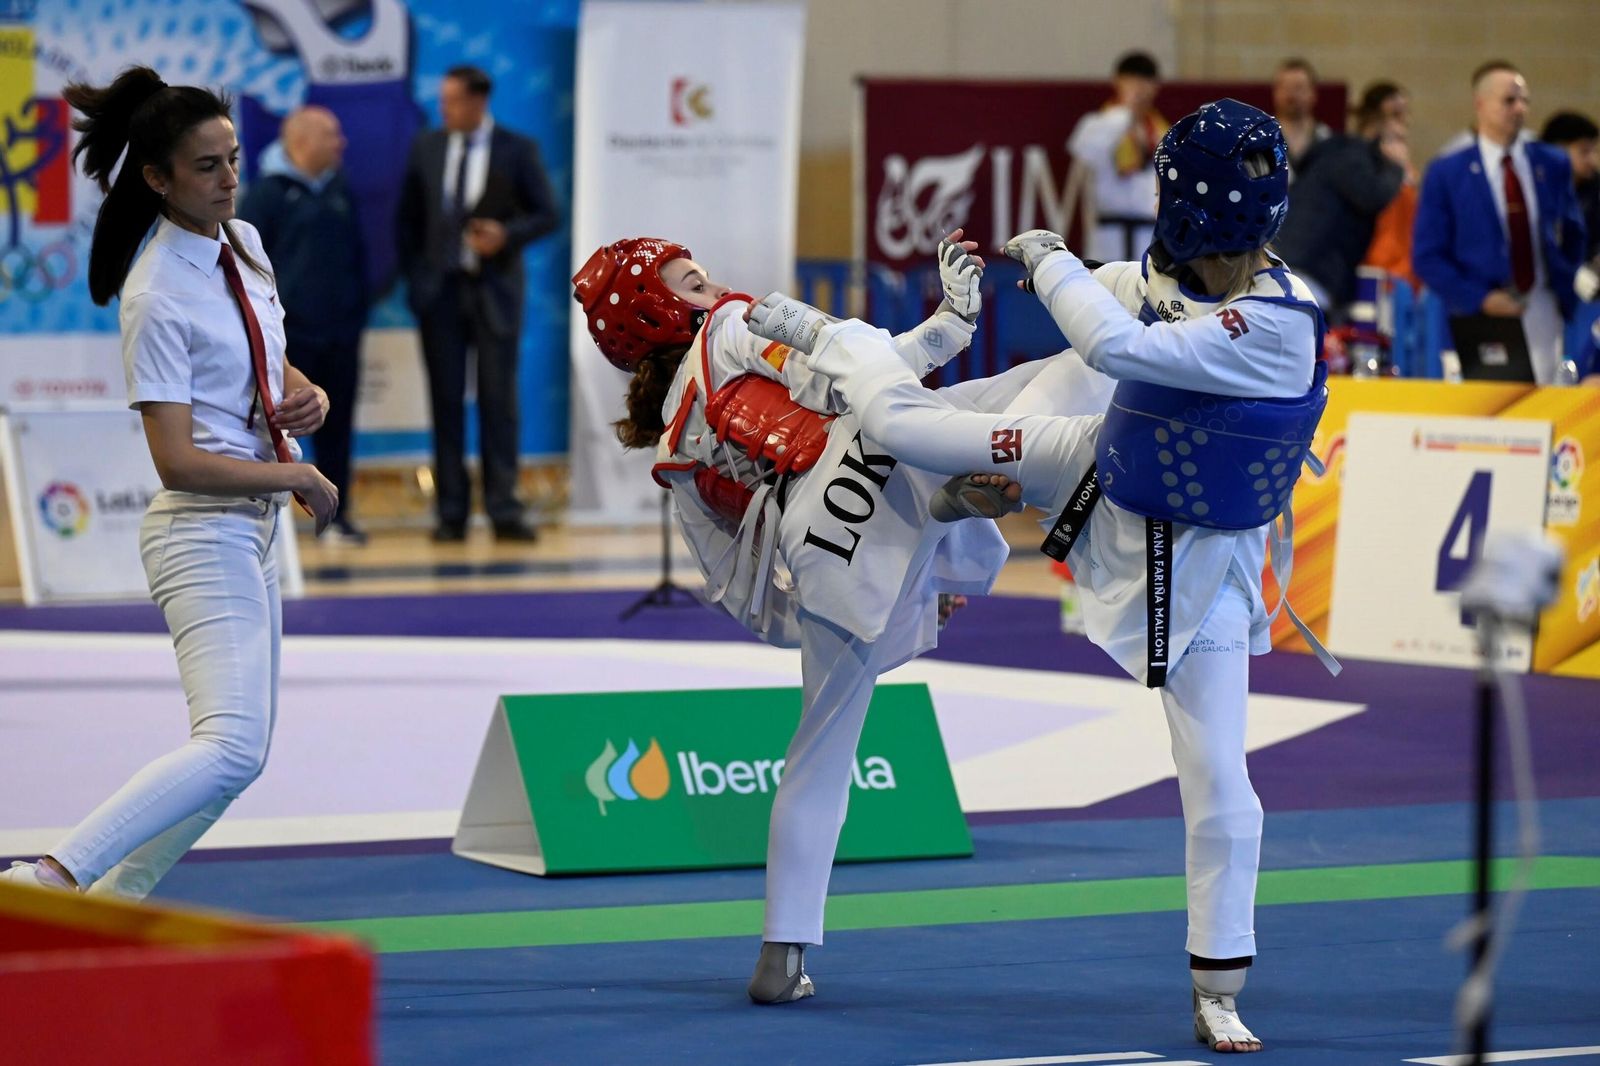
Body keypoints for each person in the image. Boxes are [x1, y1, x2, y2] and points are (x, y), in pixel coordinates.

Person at [748, 99, 1339, 1053]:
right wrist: (1063, 278)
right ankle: (924, 476)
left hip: (1202, 559)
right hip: (1094, 458)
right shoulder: (1162, 274)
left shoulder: (1279, 318)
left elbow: (1120, 344)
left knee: (1222, 780)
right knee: (912, 428)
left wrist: (1051, 258)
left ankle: (1218, 984)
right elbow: (1114, 312)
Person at [573, 232, 1058, 1007]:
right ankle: (963, 499)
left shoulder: (675, 446)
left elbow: (744, 593)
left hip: (825, 546)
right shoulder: (735, 324)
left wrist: (852, 600)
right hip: (876, 459)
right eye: (684, 277)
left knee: (819, 754)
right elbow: (856, 371)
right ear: (662, 309)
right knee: (1048, 382)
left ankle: (781, 957)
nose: (704, 276)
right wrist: (948, 327)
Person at [0, 67, 338, 900]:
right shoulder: (154, 293)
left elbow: (266, 355)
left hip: (252, 526)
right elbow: (176, 460)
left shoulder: (246, 243)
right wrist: (292, 469)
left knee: (241, 756)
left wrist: (308, 393)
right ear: (157, 178)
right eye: (206, 167)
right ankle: (49, 877)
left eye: (232, 158)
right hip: (199, 528)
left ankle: (115, 902)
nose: (229, 179)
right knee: (226, 744)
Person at [397, 64, 560, 542]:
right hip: (440, 296)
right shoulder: (427, 146)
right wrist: (419, 277)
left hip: (494, 294)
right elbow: (406, 221)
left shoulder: (517, 149)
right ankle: (451, 513)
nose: (443, 109)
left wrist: (506, 235)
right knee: (445, 404)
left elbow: (548, 213)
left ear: (477, 102)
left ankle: (504, 508)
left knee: (498, 402)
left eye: (451, 100)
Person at [240, 105, 369, 545]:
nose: (342, 142)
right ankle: (271, 519)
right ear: (302, 142)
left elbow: (358, 257)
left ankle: (336, 517)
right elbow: (248, 270)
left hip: (341, 332)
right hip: (289, 340)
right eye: (332, 134)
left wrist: (355, 311)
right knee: (274, 429)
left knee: (338, 425)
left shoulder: (339, 188)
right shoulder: (266, 195)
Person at [1413, 61, 1588, 384]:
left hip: (1542, 306)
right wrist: (1480, 298)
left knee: (1543, 405)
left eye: (1525, 101)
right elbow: (1427, 256)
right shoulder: (1447, 172)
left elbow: (1575, 232)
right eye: (1509, 100)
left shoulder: (1551, 163)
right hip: (1479, 314)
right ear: (1481, 104)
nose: (1520, 108)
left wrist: (1565, 279)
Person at [1274, 80, 1409, 319]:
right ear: (1377, 121)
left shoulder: (1339, 152)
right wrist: (1396, 167)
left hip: (1303, 271)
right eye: (1397, 116)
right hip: (1307, 272)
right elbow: (1373, 195)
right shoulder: (1350, 155)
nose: (1404, 127)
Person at [1068, 51, 1167, 262]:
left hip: (1148, 235)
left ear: (1156, 86)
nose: (1139, 87)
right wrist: (1125, 111)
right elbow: (1085, 151)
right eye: (1132, 79)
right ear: (1117, 81)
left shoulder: (1160, 131)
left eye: (1146, 80)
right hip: (1108, 236)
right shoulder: (1099, 123)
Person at [1360, 83, 1423, 293]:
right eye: (1395, 114)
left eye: (1405, 113)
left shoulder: (1405, 167)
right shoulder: (1360, 164)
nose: (1404, 122)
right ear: (1372, 121)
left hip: (1407, 273)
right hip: (1377, 273)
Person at [1271, 58, 1330, 176]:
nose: (1291, 95)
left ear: (1313, 94)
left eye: (1298, 88)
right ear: (1275, 93)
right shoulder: (1263, 139)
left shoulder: (1326, 138)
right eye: (1286, 88)